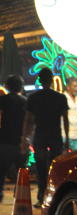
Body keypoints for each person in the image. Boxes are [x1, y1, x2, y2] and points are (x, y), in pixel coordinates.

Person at [22, 68, 69, 207]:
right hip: (55, 134)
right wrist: (66, 138)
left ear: (40, 80)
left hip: (40, 135)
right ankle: (56, 197)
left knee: (41, 168)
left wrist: (25, 137)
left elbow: (28, 119)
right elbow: (65, 119)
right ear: (51, 79)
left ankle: (41, 197)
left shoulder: (33, 97)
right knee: (55, 167)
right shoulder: (60, 97)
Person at [0, 75, 27, 203]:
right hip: (20, 141)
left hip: (4, 141)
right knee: (21, 174)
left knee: (1, 173)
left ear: (7, 86)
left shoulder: (3, 100)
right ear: (20, 87)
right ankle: (21, 199)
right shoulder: (25, 101)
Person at [63, 77, 77, 151]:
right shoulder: (63, 98)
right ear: (68, 87)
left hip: (76, 135)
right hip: (65, 135)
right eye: (74, 86)